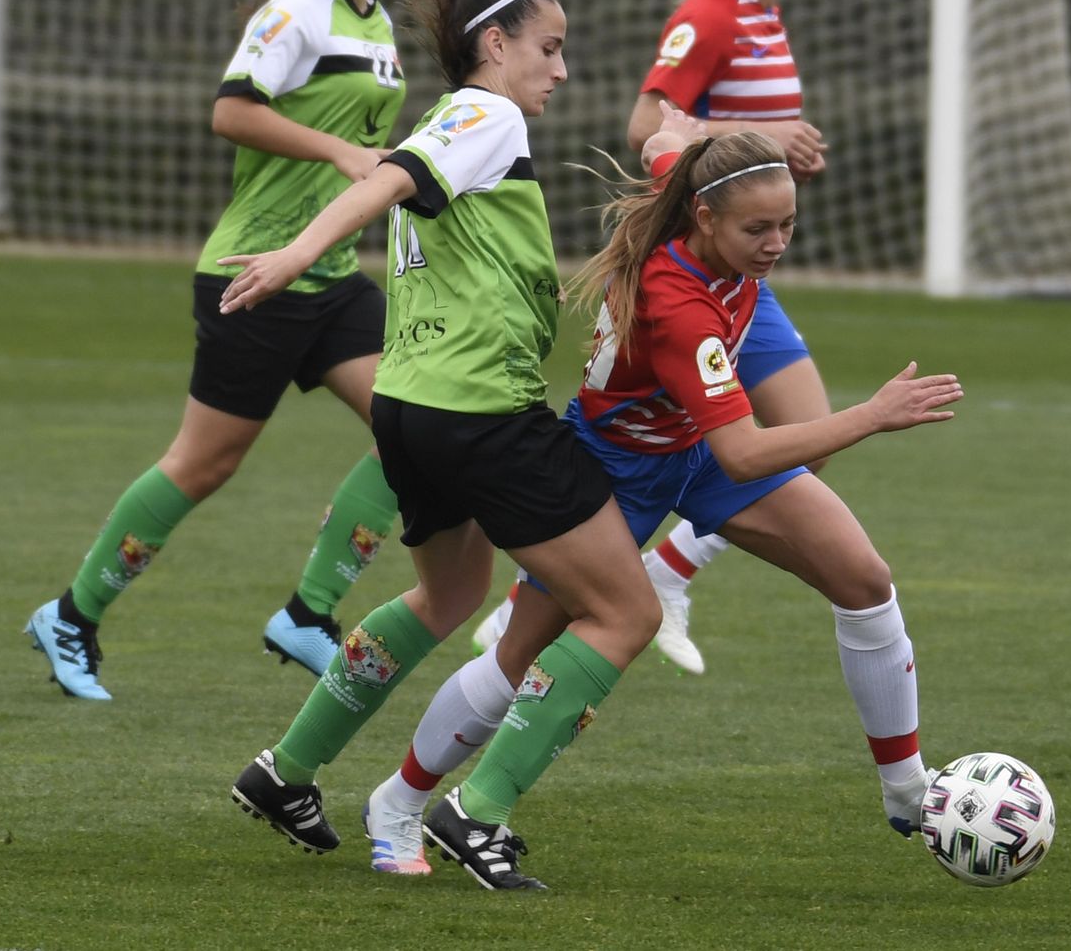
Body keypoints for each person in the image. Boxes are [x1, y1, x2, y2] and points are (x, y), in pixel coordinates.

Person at [359, 120, 963, 888]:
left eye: (787, 224)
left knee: (864, 577)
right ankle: (405, 799)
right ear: (706, 220)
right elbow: (746, 450)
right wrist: (871, 414)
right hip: (617, 473)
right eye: (759, 228)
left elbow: (666, 148)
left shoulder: (701, 189)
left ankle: (908, 788)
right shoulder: (680, 304)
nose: (776, 242)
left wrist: (677, 136)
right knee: (518, 655)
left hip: (695, 451)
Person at [224, 0, 666, 893]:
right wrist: (297, 255)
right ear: (494, 42)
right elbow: (387, 178)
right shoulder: (485, 111)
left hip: (411, 407)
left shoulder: (460, 118)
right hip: (481, 416)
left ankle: (286, 770)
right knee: (625, 609)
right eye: (548, 47)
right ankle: (478, 811)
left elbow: (409, 181)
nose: (560, 68)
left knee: (449, 597)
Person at [22, 0, 411, 701]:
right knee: (203, 463)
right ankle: (70, 614)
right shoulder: (297, 8)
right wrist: (341, 152)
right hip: (255, 273)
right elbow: (231, 111)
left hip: (334, 277)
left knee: (416, 426)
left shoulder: (377, 25)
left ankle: (309, 612)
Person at [470, 0, 829, 675]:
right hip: (700, 267)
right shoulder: (710, 15)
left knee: (800, 438)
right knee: (770, 435)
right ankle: (550, 600)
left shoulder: (767, 19)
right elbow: (647, 125)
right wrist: (765, 136)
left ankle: (660, 575)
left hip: (740, 271)